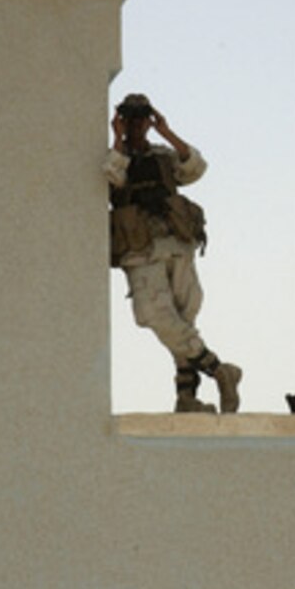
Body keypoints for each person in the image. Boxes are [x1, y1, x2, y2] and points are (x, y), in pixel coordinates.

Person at [104, 93, 241, 413]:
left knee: (183, 319)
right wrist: (118, 138)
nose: (137, 124)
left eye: (142, 117)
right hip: (139, 249)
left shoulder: (163, 154)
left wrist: (165, 132)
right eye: (130, 118)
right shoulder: (117, 156)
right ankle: (220, 370)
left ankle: (187, 397)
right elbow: (111, 177)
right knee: (152, 314)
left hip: (176, 243)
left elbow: (195, 167)